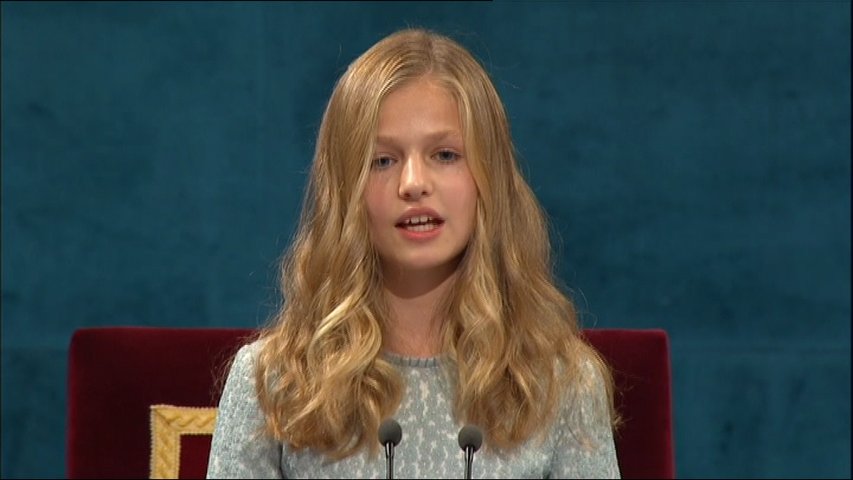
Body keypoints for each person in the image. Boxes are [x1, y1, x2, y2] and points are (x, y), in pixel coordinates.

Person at [207, 27, 621, 479]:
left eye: (444, 155)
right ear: (346, 192)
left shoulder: (562, 383)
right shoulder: (274, 381)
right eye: (382, 160)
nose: (413, 183)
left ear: (490, 178)